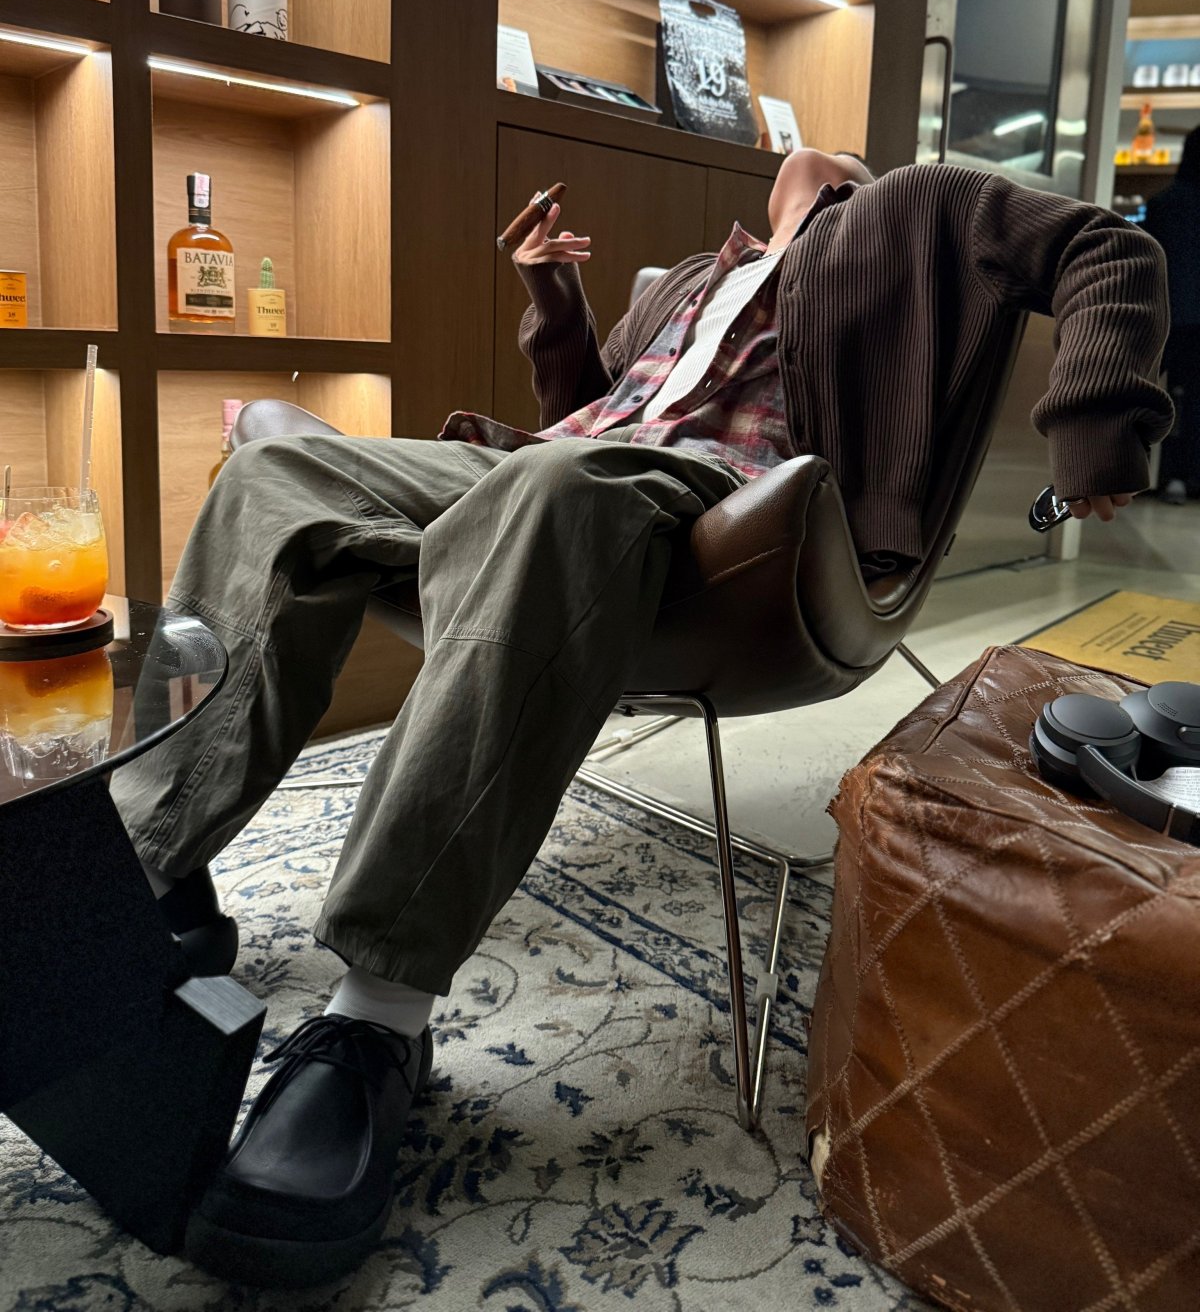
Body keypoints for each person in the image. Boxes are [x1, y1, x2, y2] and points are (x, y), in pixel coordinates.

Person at [112, 148, 1171, 1288]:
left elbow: (1109, 245)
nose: (804, 149)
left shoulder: (919, 208)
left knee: (556, 490)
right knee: (276, 473)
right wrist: (554, 297)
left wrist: (1097, 427)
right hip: (553, 471)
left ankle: (376, 1018)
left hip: (730, 511)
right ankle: (137, 868)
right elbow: (581, 410)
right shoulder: (688, 282)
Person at [1144, 124, 1200, 502]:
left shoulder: (1164, 203)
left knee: (1157, 395)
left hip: (1168, 316)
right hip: (1193, 321)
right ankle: (1189, 477)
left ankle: (1149, 474)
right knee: (1194, 401)